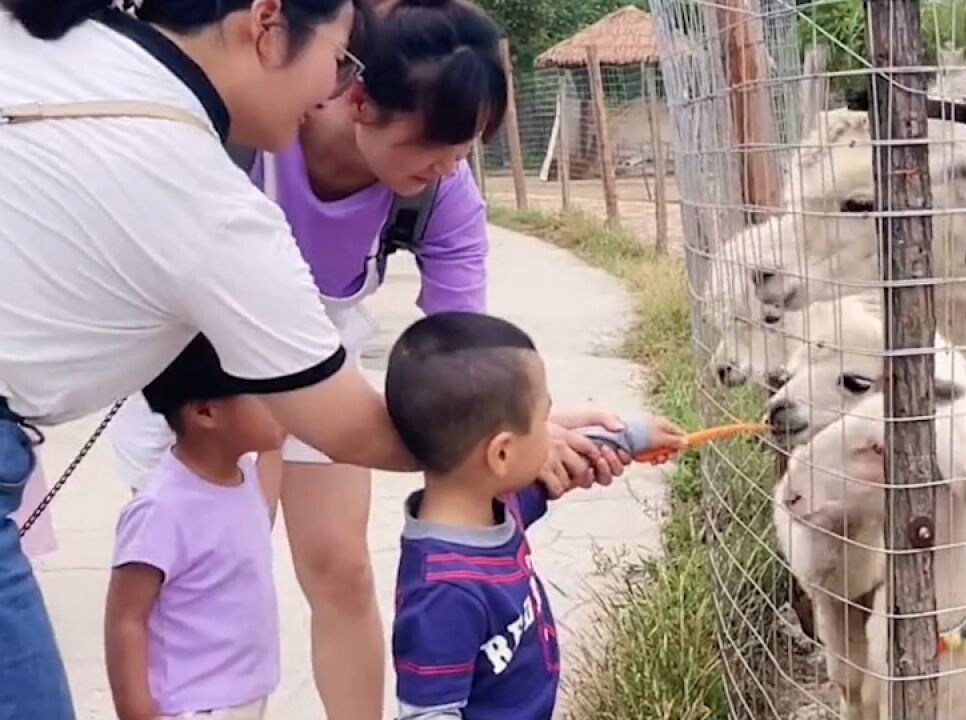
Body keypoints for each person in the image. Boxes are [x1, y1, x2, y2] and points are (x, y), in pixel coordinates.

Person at [0, 0, 616, 716]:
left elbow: (462, 374)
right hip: (204, 380)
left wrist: (512, 424)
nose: (335, 81)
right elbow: (362, 426)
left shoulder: (78, 56)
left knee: (339, 566)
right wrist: (506, 444)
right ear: (268, 28)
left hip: (317, 366)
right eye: (339, 57)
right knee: (211, 572)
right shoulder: (216, 174)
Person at [381, 312, 687, 720]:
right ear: (502, 453)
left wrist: (630, 438)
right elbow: (429, 713)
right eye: (546, 421)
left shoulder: (492, 507)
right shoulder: (444, 590)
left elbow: (567, 464)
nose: (555, 434)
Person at [104, 335, 284, 720]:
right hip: (191, 706)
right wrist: (137, 712)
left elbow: (266, 491)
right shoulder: (160, 509)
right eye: (264, 393)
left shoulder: (245, 477)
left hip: (247, 696)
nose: (284, 405)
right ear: (205, 413)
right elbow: (126, 619)